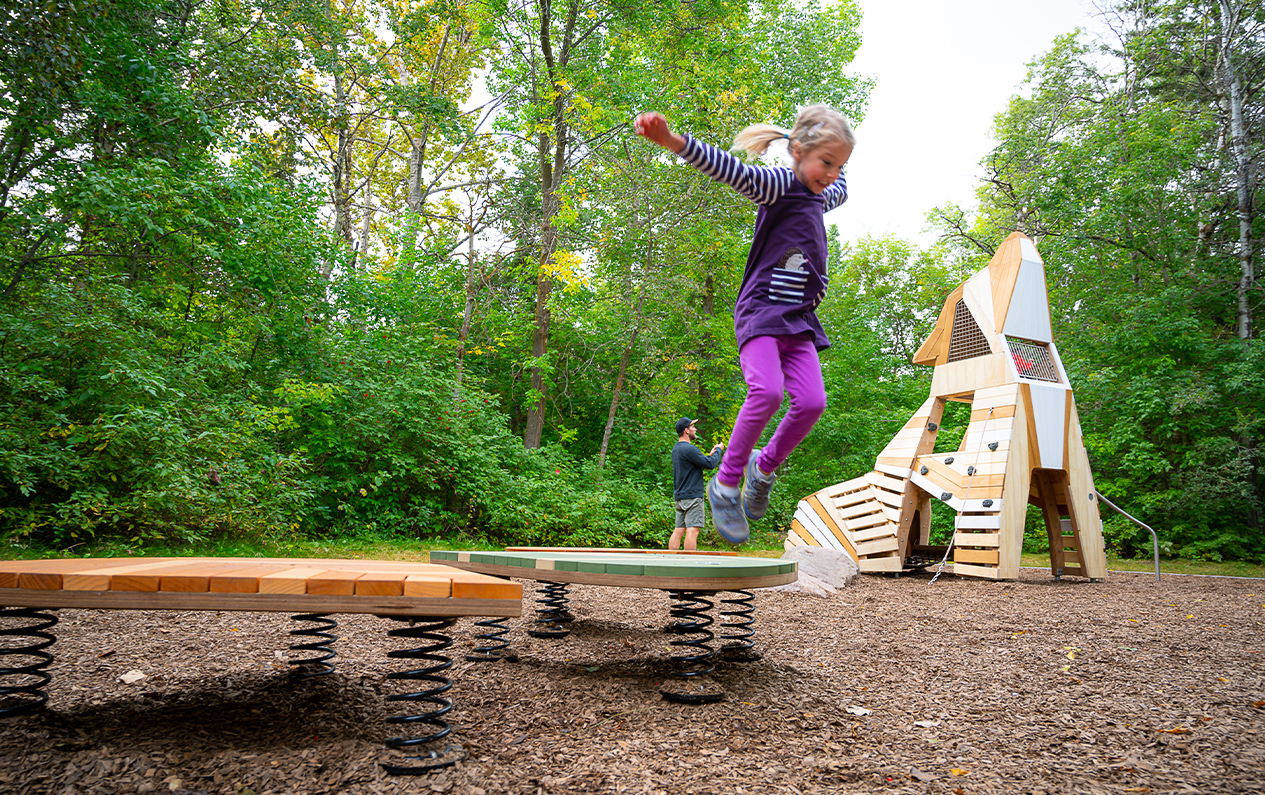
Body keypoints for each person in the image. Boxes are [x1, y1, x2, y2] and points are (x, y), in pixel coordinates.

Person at [635, 106, 854, 544]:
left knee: (812, 402)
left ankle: (763, 467)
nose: (831, 174)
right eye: (825, 163)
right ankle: (727, 480)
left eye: (839, 166)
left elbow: (843, 187)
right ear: (796, 151)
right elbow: (729, 168)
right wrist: (672, 141)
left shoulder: (824, 192)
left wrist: (838, 154)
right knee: (768, 392)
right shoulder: (779, 184)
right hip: (760, 313)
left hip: (798, 322)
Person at [670, 417, 724, 551]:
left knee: (678, 531)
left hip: (680, 497)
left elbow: (699, 461)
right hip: (692, 497)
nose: (695, 429)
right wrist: (718, 450)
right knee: (693, 530)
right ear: (686, 431)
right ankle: (689, 565)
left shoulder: (676, 449)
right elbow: (710, 464)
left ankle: (670, 562)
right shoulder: (689, 449)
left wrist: (708, 455)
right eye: (693, 427)